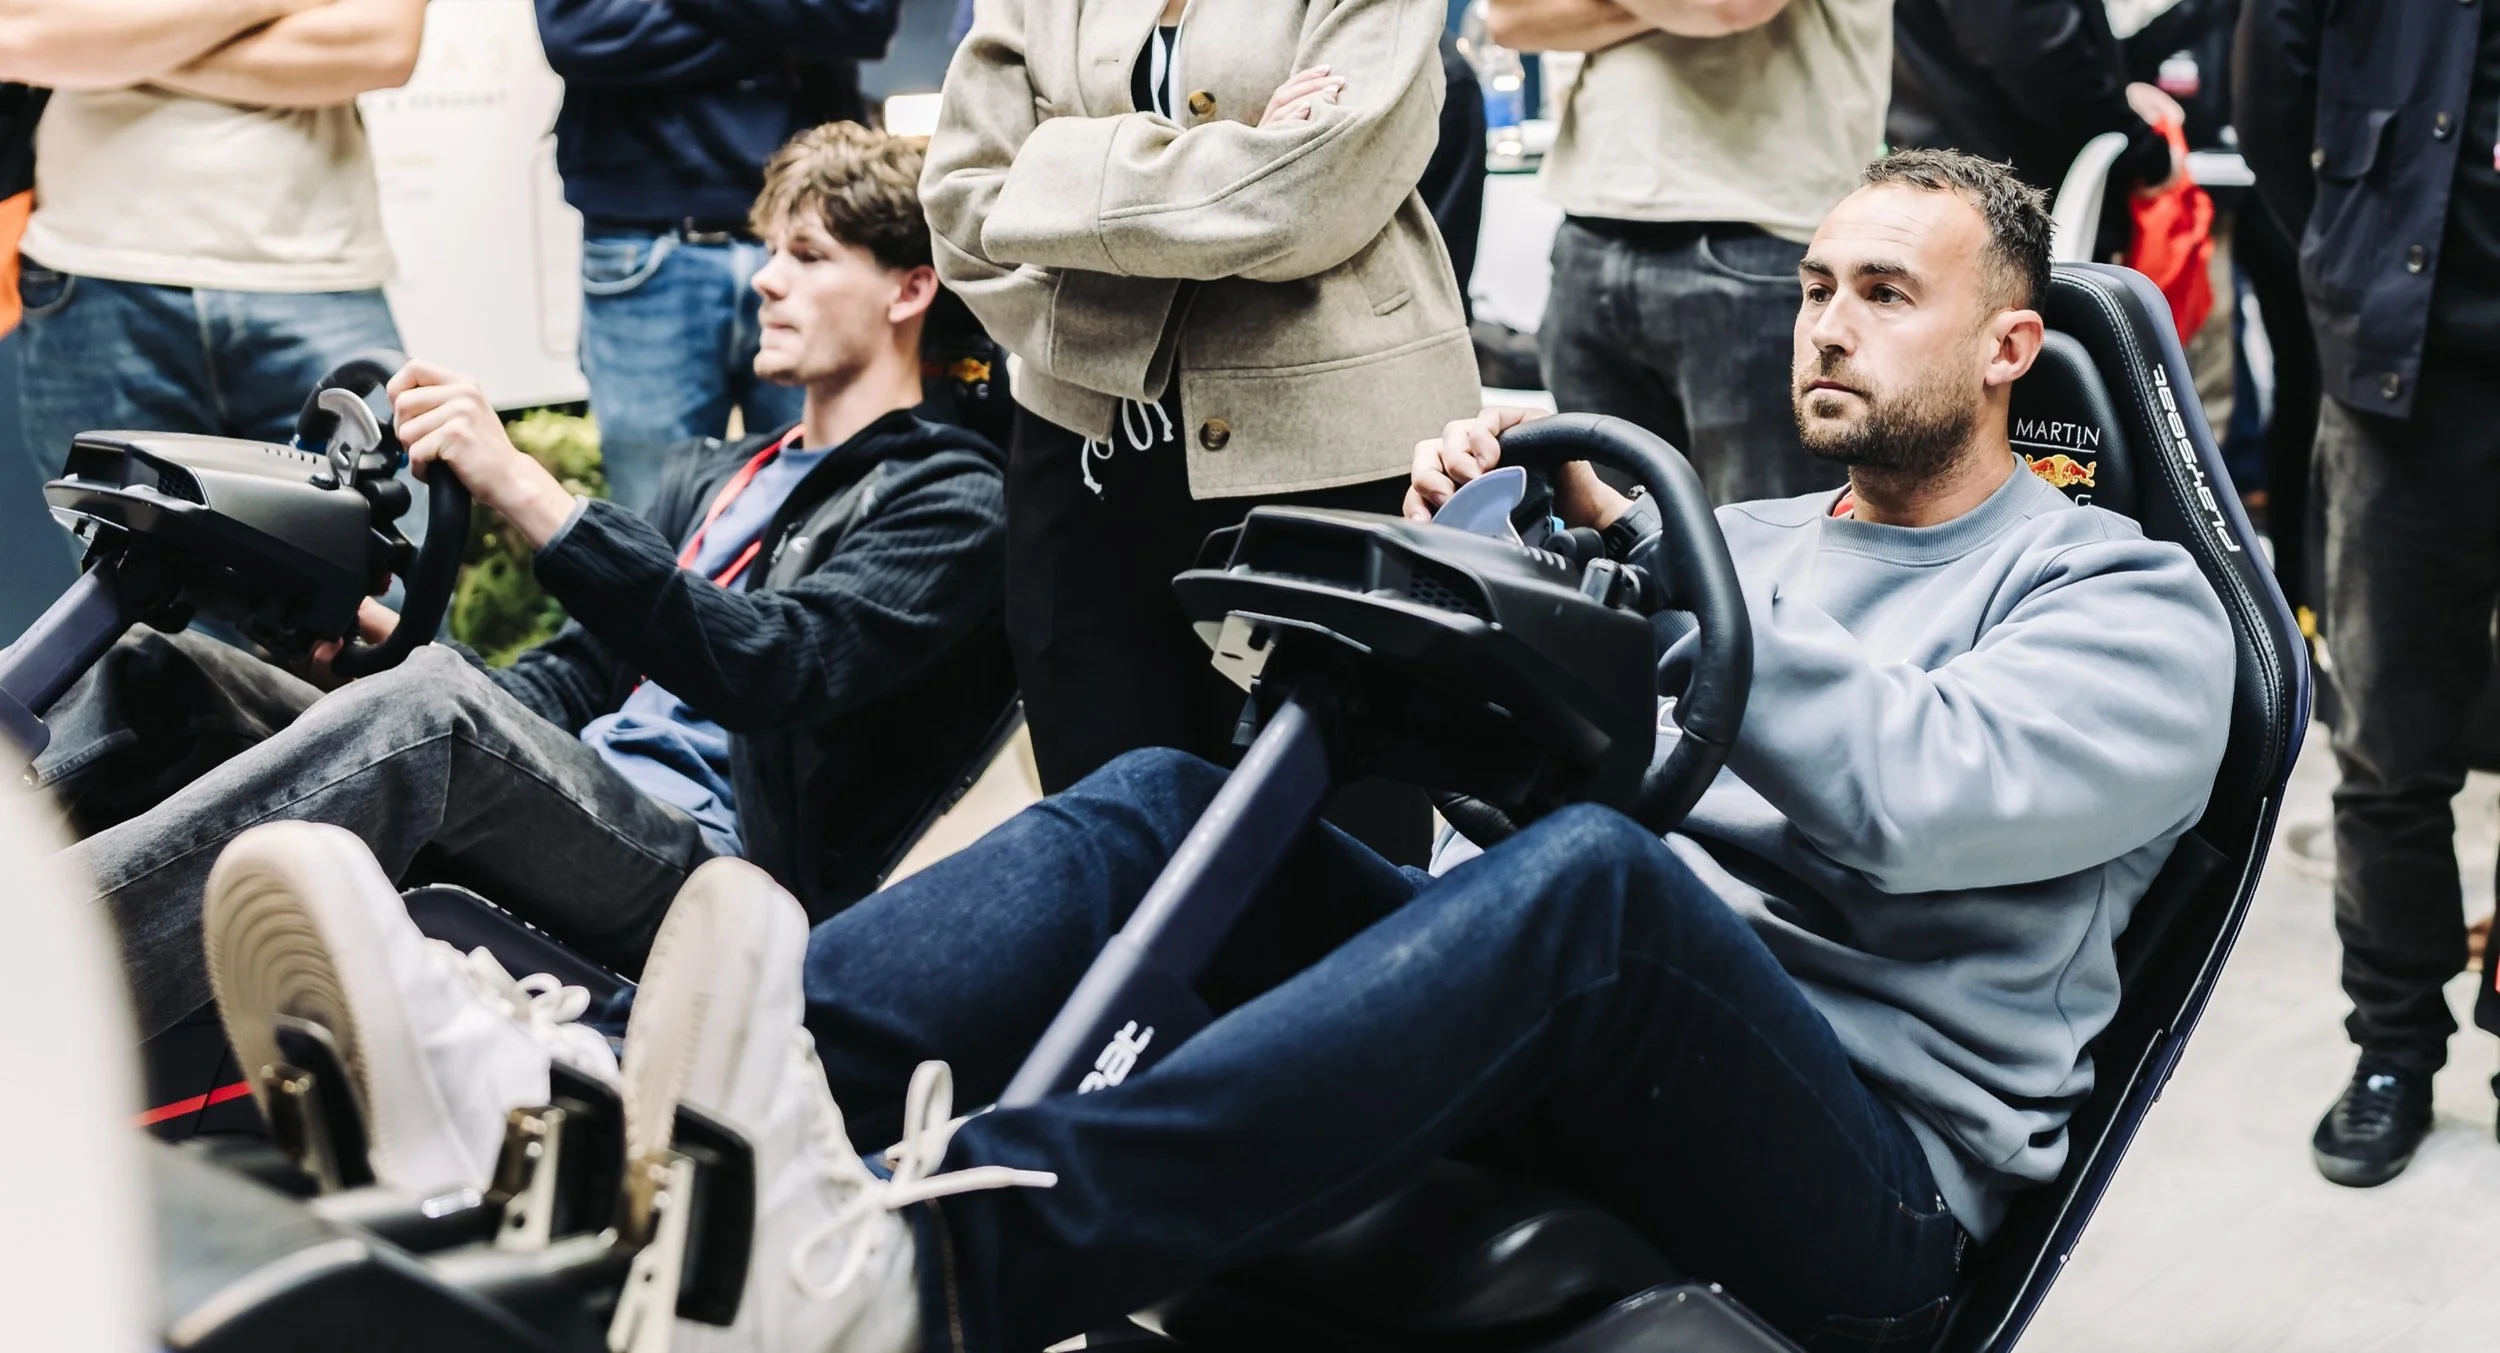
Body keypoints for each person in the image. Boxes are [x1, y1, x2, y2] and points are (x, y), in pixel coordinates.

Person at [194, 150, 2234, 1352]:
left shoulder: (2133, 610)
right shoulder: (1750, 538)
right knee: (1171, 802)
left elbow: (1912, 805)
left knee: (1595, 898)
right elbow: (1568, 789)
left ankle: (934, 1273)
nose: (1824, 325)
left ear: (2008, 347)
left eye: (1885, 293)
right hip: (1612, 1060)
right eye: (1811, 286)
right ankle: (600, 1105)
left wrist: (1655, 602)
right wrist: (1500, 596)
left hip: (1862, 1183)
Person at [32, 124, 1013, 1040]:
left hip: (713, 872)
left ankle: (34, 987)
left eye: (809, 256)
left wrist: (520, 486)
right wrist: (378, 650)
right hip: (579, 796)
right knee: (162, 668)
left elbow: (773, 667)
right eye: (771, 250)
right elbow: (570, 683)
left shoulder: (954, 498)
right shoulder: (718, 475)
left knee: (433, 712)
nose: (765, 279)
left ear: (908, 290)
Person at [921, 0, 1481, 864]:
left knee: (1338, 865)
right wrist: (1238, 159)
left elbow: (1308, 199)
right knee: (1107, 851)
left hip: (1332, 466)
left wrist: (1057, 168)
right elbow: (961, 201)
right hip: (1083, 467)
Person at [2239, 0, 2500, 1186]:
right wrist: (2354, 261)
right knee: (2389, 746)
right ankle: (2393, 1047)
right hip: (2405, 381)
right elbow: (2268, 100)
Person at [0, 0, 422, 479]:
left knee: (380, 523)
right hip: (95, 276)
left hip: (319, 274)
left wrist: (108, 48)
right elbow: (17, 36)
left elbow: (384, 47)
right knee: (121, 531)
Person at [1487, 0, 1885, 506]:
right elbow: (1512, 20)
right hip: (1591, 228)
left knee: (1765, 540)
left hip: (1762, 236)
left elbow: (1730, 5)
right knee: (1612, 539)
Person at [531, 0, 901, 515]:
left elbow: (859, 18)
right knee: (654, 522)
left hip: (814, 231)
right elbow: (580, 33)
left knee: (826, 512)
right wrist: (784, 37)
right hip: (645, 242)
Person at [1888, 0, 2187, 209]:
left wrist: (2120, 92)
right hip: (2004, 202)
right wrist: (2145, 153)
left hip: (1967, 179)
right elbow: (2032, 49)